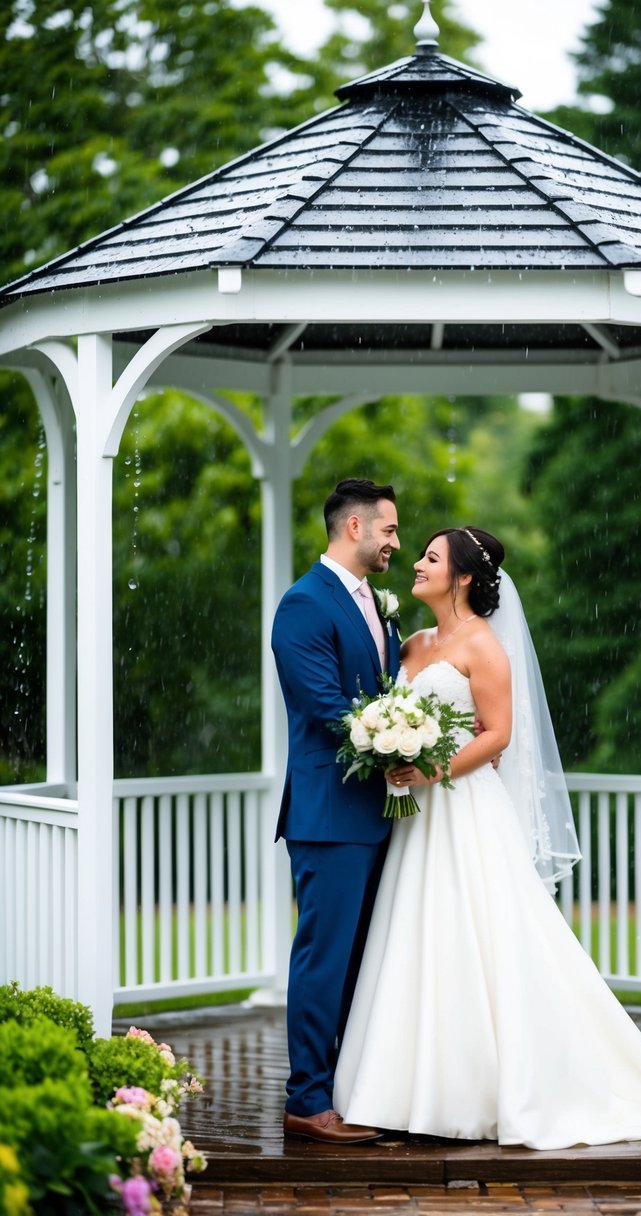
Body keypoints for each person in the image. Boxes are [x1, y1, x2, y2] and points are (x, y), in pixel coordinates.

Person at [333, 526, 641, 1149]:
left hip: (463, 810)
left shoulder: (484, 646)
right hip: (414, 820)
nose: (417, 563)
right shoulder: (411, 645)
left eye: (432, 558)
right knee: (417, 935)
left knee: (485, 937)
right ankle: (406, 1087)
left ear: (464, 577)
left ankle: (492, 1085)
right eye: (419, 554)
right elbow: (396, 711)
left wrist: (431, 767)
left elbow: (496, 735)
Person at [271, 478, 402, 1143]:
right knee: (324, 957)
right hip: (327, 813)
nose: (395, 544)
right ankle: (306, 1100)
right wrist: (402, 745)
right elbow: (326, 707)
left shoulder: (376, 605)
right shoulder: (302, 604)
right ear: (353, 528)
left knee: (361, 959)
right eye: (388, 530)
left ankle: (348, 1086)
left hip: (377, 812)